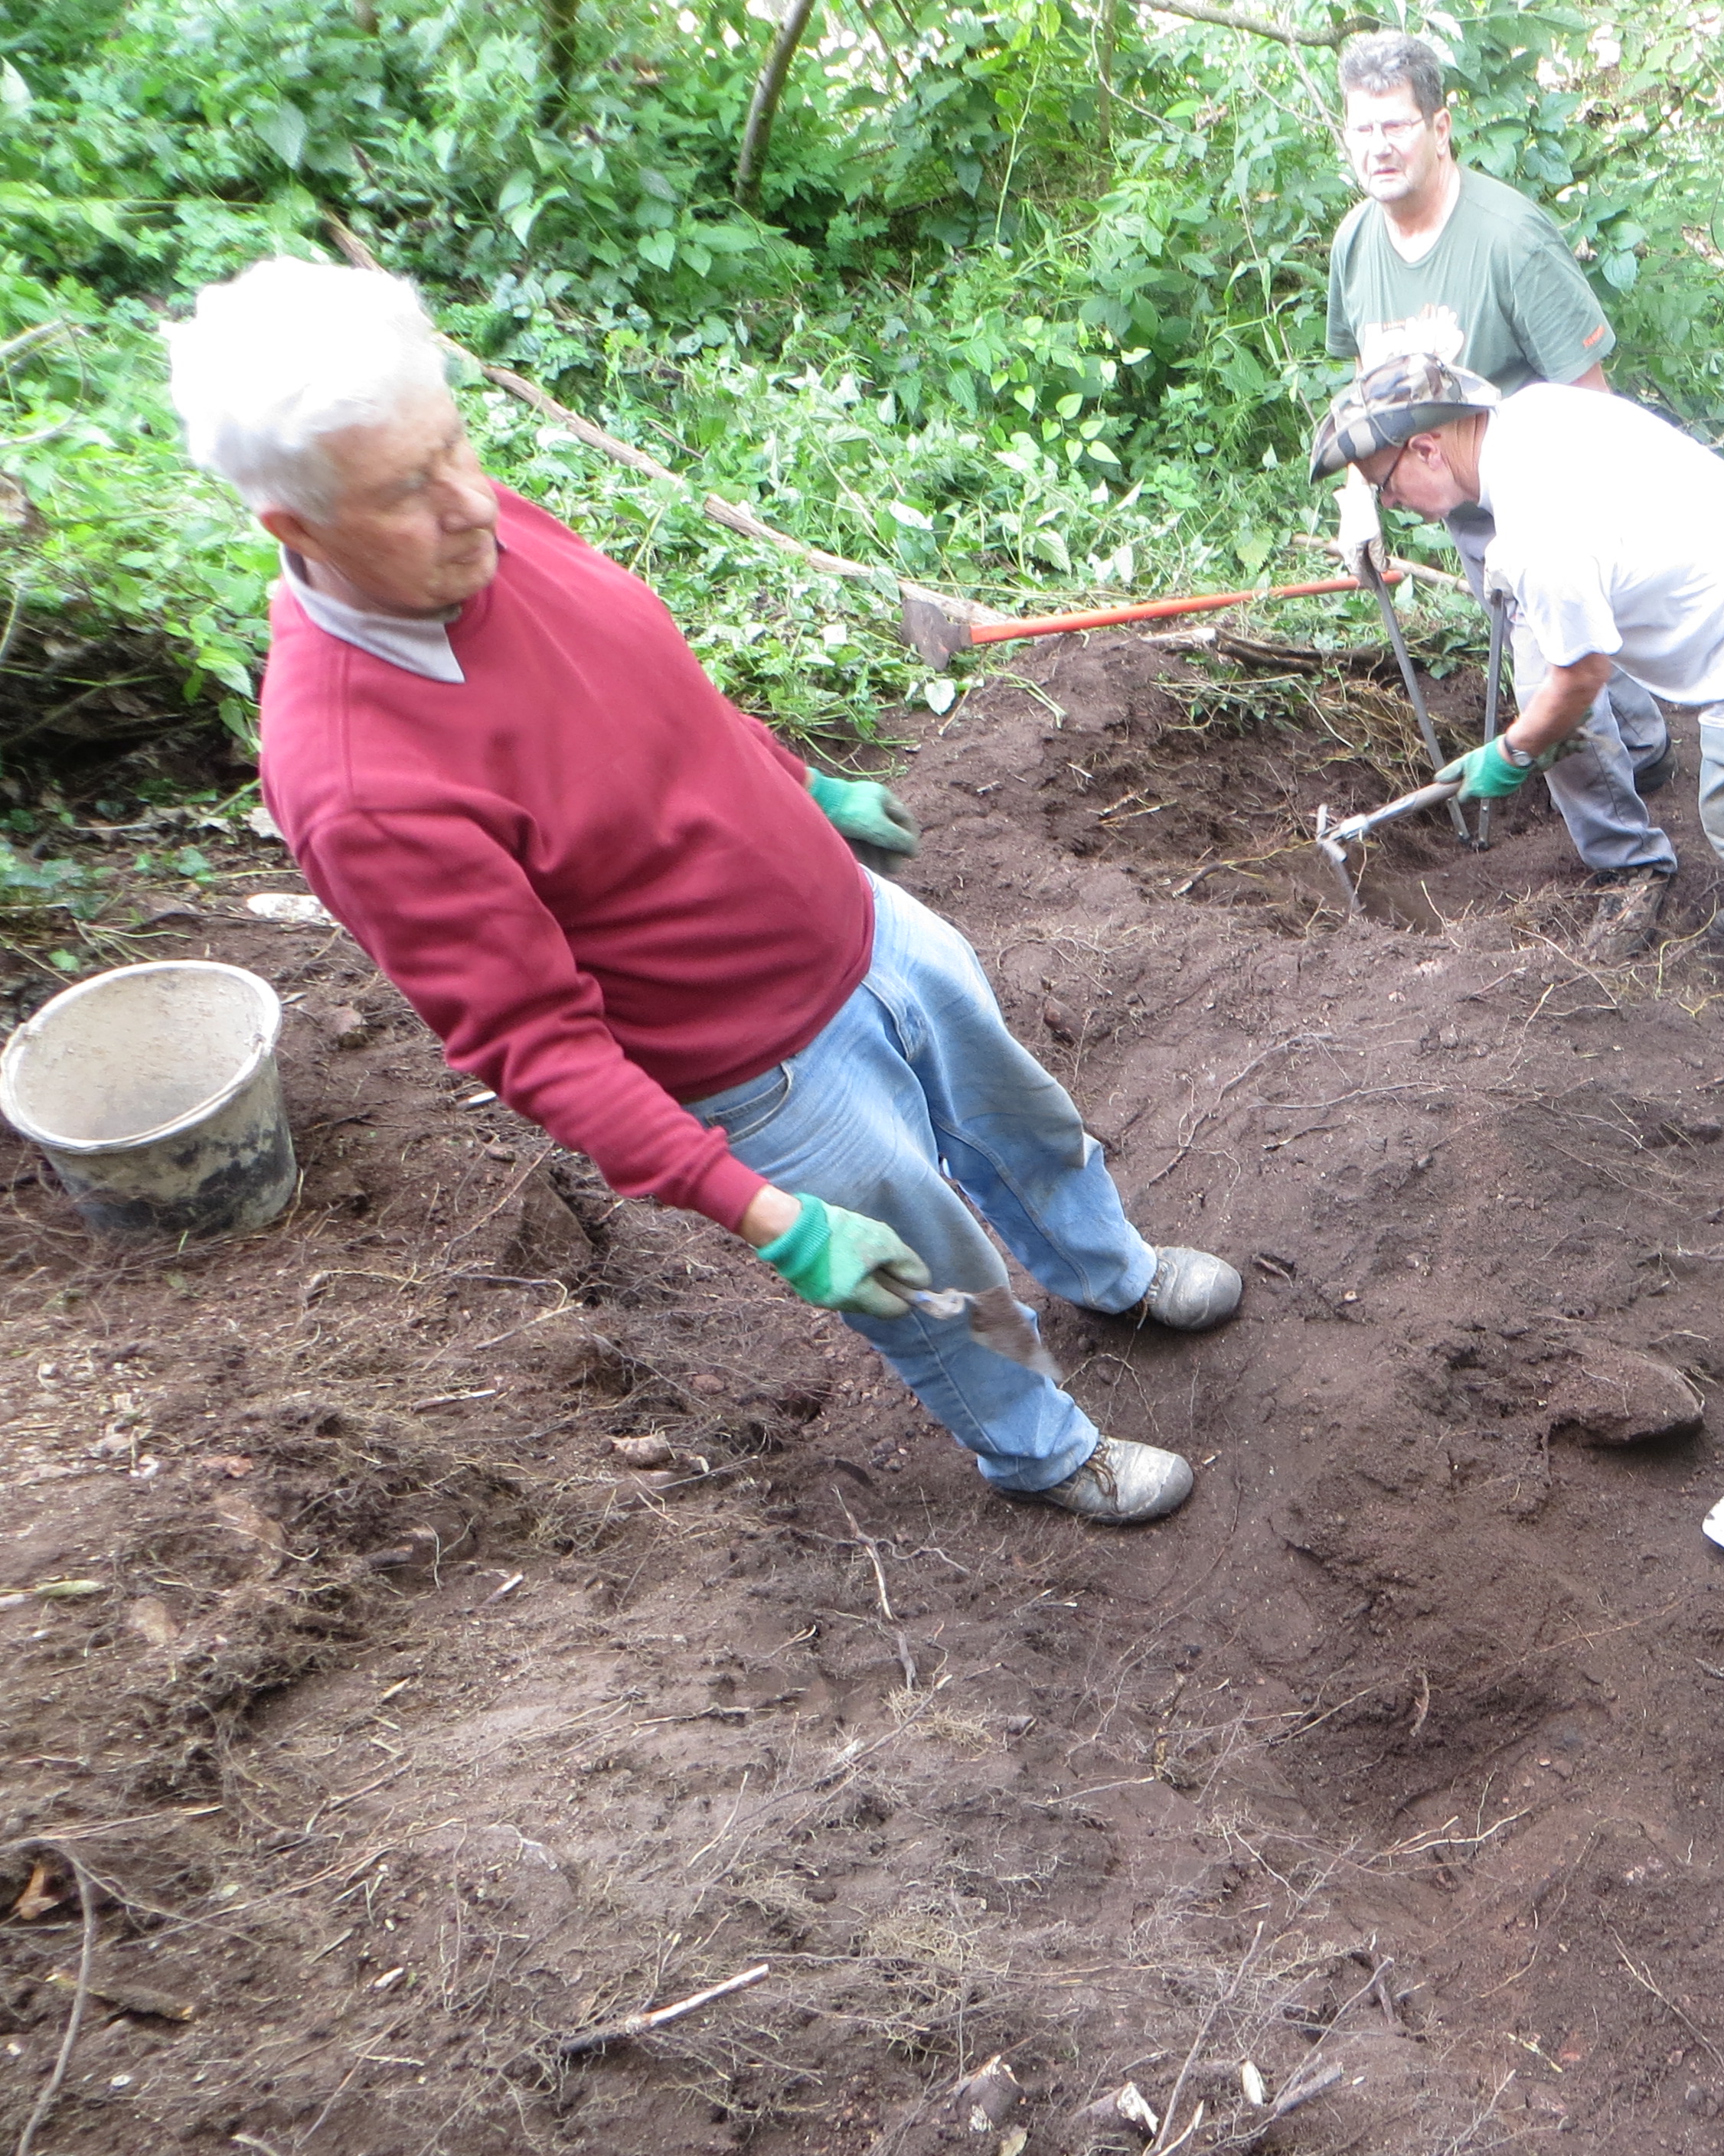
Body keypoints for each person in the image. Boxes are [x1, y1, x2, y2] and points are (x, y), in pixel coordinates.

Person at [165, 256, 1242, 1527]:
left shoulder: (481, 534)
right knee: (933, 1274)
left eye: (455, 442)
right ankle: (1042, 1448)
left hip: (862, 924)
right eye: (407, 487)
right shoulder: (358, 780)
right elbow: (537, 1048)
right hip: (765, 1072)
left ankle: (1109, 1274)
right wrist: (775, 1219)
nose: (468, 500)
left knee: (1025, 1122)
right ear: (294, 527)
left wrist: (804, 785)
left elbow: (660, 686)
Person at [1311, 354, 1724, 1002]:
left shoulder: (1538, 536)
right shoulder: (1533, 412)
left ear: (1428, 449)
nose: (1391, 502)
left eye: (1385, 485)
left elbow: (1582, 678)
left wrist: (1513, 751)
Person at [1324, 31, 1677, 942]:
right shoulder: (1357, 244)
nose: (1379, 147)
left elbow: (1590, 403)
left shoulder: (1509, 239)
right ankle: (1642, 747)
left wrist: (1564, 547)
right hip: (1454, 501)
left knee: (1549, 672)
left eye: (1397, 125)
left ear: (1441, 127)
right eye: (1362, 129)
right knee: (1581, 663)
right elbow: (1364, 391)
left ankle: (1629, 863)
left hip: (1543, 497)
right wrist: (1359, 497)